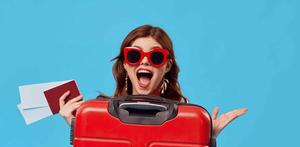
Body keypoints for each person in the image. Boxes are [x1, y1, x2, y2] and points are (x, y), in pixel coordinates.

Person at [59, 25, 248, 138]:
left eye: (156, 56)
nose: (144, 60)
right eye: (134, 55)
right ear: (125, 63)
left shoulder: (184, 119)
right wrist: (79, 128)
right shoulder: (99, 114)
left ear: (166, 66)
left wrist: (204, 138)